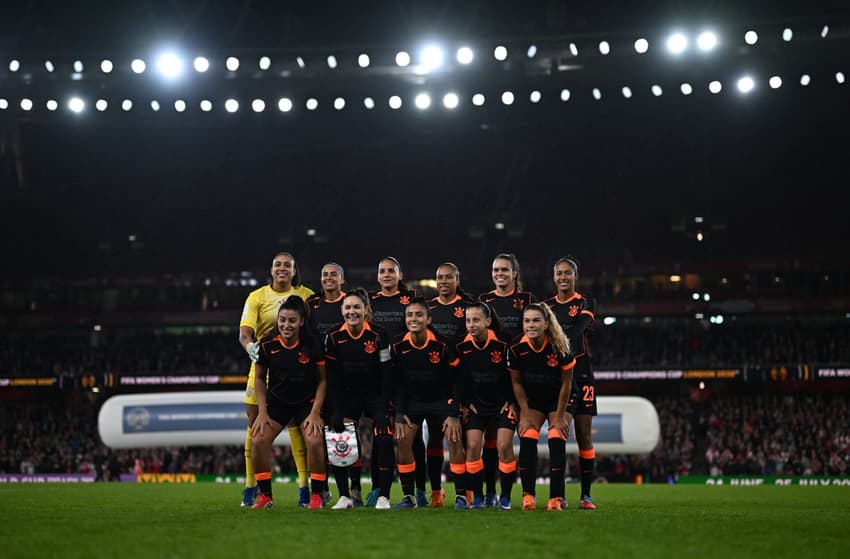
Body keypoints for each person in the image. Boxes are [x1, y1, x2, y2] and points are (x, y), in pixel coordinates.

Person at [238, 251, 315, 507]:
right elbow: (245, 333)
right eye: (278, 265)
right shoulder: (257, 296)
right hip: (263, 366)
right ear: (271, 270)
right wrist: (251, 349)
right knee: (255, 423)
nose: (282, 269)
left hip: (297, 368)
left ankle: (304, 486)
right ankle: (251, 486)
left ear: (294, 271)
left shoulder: (307, 296)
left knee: (297, 424)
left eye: (287, 265)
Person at [250, 295, 328, 510]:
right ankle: (265, 496)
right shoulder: (266, 344)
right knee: (257, 440)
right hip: (278, 403)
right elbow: (258, 378)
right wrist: (262, 412)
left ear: (301, 321)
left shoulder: (312, 344)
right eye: (282, 319)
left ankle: (317, 496)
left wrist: (315, 413)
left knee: (314, 440)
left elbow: (322, 381)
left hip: (306, 403)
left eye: (291, 320)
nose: (286, 325)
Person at [323, 288, 395, 510]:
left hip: (374, 396)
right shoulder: (333, 337)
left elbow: (387, 372)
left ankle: (384, 496)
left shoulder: (379, 334)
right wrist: (335, 409)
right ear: (341, 310)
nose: (352, 311)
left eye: (357, 307)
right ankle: (345, 496)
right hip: (347, 397)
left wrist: (384, 407)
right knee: (340, 439)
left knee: (384, 439)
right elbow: (332, 376)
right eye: (348, 307)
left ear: (365, 310)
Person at [391, 298, 465, 509]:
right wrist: (399, 411)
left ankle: (458, 496)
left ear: (428, 319)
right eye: (410, 315)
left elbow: (458, 379)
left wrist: (453, 412)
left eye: (418, 315)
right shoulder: (397, 346)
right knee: (403, 441)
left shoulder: (442, 344)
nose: (414, 319)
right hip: (413, 402)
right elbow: (395, 382)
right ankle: (409, 497)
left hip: (441, 400)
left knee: (452, 439)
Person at [478, 253, 535, 506]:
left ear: (514, 273)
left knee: (524, 440)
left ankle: (525, 494)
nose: (499, 273)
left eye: (504, 269)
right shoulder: (484, 301)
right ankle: (492, 493)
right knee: (492, 444)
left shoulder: (528, 300)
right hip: (494, 378)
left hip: (522, 377)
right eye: (495, 269)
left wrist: (513, 399)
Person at [508, 303, 576, 511]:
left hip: (560, 400)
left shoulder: (560, 347)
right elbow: (517, 382)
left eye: (536, 320)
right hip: (534, 400)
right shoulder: (516, 348)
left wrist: (560, 416)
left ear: (546, 323)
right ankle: (528, 495)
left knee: (556, 436)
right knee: (527, 435)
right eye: (527, 321)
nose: (531, 325)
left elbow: (567, 384)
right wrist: (525, 413)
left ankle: (557, 497)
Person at [368, 256, 425, 505]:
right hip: (378, 376)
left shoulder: (410, 299)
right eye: (383, 271)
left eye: (391, 270)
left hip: (407, 374)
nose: (387, 274)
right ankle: (377, 487)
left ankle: (420, 489)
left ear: (400, 275)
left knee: (413, 437)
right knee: (380, 433)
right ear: (378, 276)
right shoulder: (370, 301)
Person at [543, 257, 598, 510]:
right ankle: (558, 494)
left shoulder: (585, 302)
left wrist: (557, 342)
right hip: (556, 376)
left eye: (567, 273)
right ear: (554, 277)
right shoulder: (547, 307)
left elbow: (577, 331)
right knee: (559, 432)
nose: (563, 277)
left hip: (582, 374)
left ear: (575, 276)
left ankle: (586, 495)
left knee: (584, 434)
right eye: (559, 273)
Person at [457, 302, 518, 510]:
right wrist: (465, 404)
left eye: (476, 320)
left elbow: (515, 377)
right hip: (477, 406)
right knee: (473, 447)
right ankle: (479, 498)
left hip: (503, 405)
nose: (471, 324)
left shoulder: (503, 343)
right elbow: (460, 379)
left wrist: (512, 401)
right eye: (468, 320)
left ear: (488, 321)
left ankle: (506, 497)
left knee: (503, 446)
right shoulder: (462, 346)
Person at [426, 262, 474, 504]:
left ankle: (464, 492)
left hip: (463, 381)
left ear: (457, 279)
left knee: (461, 439)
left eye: (448, 277)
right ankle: (436, 492)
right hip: (436, 384)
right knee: (435, 437)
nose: (443, 281)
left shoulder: (467, 308)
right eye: (439, 277)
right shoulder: (429, 309)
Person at [307, 262, 347, 340]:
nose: (328, 277)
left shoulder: (351, 301)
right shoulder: (310, 304)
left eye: (333, 274)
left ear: (342, 280)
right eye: (325, 274)